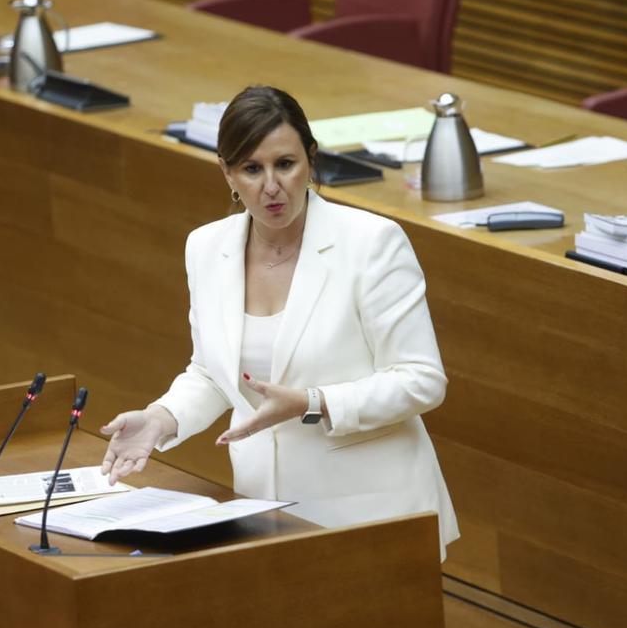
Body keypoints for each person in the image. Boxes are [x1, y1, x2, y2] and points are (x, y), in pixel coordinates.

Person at [99, 85, 459, 559]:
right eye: (252, 169)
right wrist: (161, 419)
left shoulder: (371, 244)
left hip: (372, 512)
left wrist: (314, 403)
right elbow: (212, 371)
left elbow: (422, 381)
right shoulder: (206, 247)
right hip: (262, 509)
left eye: (285, 165)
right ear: (227, 173)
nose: (271, 186)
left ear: (310, 161)